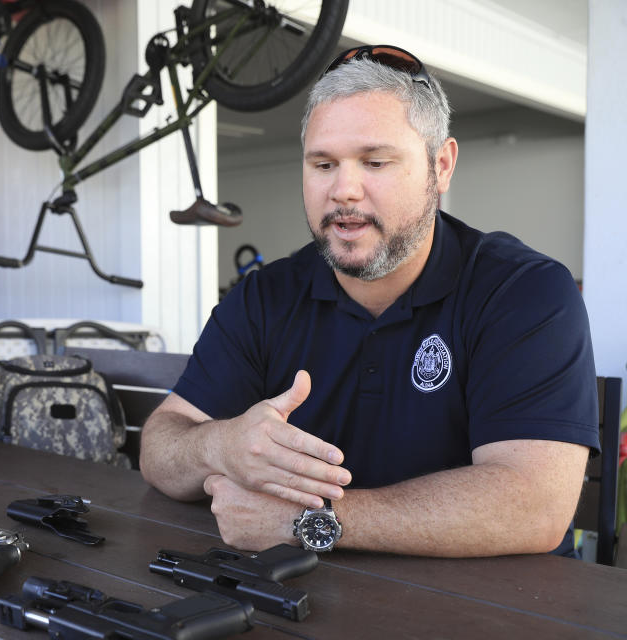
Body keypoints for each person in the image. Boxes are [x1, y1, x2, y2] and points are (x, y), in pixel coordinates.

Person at [139, 45, 599, 558]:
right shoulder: (264, 297)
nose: (344, 190)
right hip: (298, 604)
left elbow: (535, 506)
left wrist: (310, 521)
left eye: (375, 161)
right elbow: (160, 446)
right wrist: (219, 445)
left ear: (440, 166)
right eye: (323, 163)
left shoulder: (523, 291)